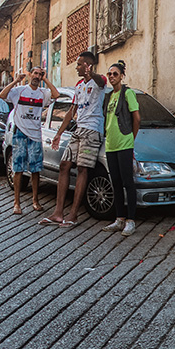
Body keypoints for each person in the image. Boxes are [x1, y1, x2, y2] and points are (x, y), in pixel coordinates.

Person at [40, 51, 106, 227]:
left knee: (83, 169)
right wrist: (59, 133)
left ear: (87, 65)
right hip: (78, 130)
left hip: (92, 131)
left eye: (79, 64)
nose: (76, 67)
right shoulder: (78, 85)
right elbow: (72, 111)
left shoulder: (100, 82)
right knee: (64, 165)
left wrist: (90, 73)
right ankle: (58, 213)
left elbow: (100, 81)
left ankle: (74, 215)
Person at [0, 67, 59, 214]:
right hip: (20, 133)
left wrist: (46, 79)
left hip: (35, 135)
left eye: (40, 74)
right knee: (18, 169)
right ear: (30, 74)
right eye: (35, 74)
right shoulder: (19, 90)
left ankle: (35, 200)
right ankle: (16, 203)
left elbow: (56, 94)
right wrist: (16, 81)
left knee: (35, 169)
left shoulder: (43, 93)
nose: (37, 77)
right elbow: (2, 95)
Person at [100, 60, 140, 237]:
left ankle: (131, 220)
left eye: (115, 74)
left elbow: (136, 118)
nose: (111, 77)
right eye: (109, 74)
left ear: (122, 76)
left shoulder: (127, 93)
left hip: (124, 143)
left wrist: (131, 137)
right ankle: (119, 218)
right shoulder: (110, 96)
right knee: (115, 181)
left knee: (127, 182)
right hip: (111, 144)